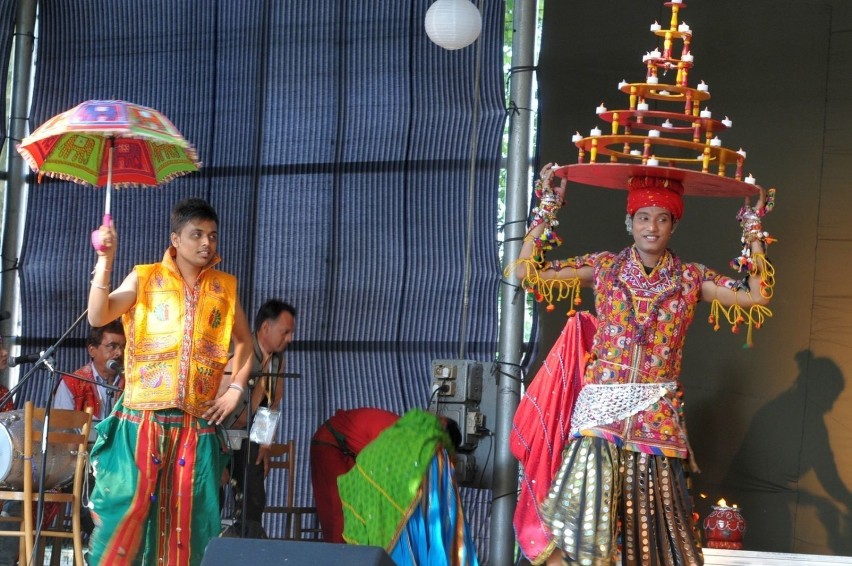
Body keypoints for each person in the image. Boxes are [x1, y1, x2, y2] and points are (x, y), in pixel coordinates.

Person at [511, 165, 776, 565]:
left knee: (653, 534)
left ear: (674, 225)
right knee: (579, 529)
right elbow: (529, 271)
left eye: (662, 218)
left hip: (656, 417)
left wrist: (753, 229)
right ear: (629, 222)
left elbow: (757, 296)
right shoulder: (603, 268)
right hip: (600, 415)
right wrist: (547, 208)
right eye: (643, 217)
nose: (652, 227)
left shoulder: (691, 279)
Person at [85, 197, 253, 566]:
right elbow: (99, 314)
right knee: (127, 513)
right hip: (143, 418)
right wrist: (105, 261)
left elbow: (246, 343)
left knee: (189, 523)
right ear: (175, 239)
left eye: (212, 235)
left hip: (196, 423)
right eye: (197, 234)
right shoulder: (144, 277)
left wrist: (236, 390)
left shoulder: (224, 288)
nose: (207, 243)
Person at [336, 409, 479, 565]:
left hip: (365, 491)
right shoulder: (433, 449)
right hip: (402, 511)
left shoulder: (396, 433)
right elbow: (440, 508)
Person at [219, 299, 296, 538]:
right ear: (265, 329)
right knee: (213, 492)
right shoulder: (238, 350)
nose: (290, 339)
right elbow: (214, 397)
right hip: (216, 432)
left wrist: (264, 443)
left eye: (291, 333)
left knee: (254, 493)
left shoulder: (276, 361)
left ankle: (248, 548)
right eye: (285, 332)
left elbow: (272, 402)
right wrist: (216, 446)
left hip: (245, 434)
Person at [309, 407, 400, 542]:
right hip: (329, 444)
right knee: (341, 506)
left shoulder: (402, 431)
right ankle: (340, 554)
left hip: (349, 450)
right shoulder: (397, 436)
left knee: (357, 505)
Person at [54, 320, 126, 420]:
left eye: (123, 347)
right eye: (112, 346)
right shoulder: (72, 383)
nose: (119, 353)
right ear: (92, 350)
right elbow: (62, 428)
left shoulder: (132, 383)